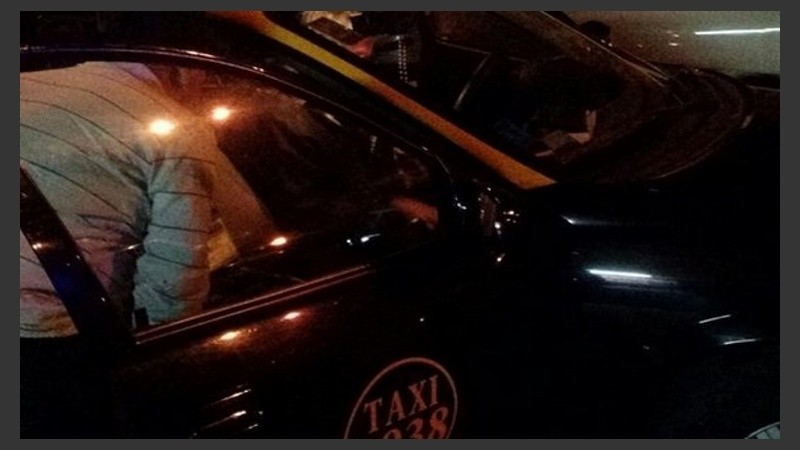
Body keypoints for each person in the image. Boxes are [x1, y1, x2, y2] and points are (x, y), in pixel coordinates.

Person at [20, 60, 275, 337]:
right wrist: (158, 346)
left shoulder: (30, 83)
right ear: (184, 70)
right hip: (53, 328)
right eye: (206, 76)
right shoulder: (177, 129)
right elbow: (173, 283)